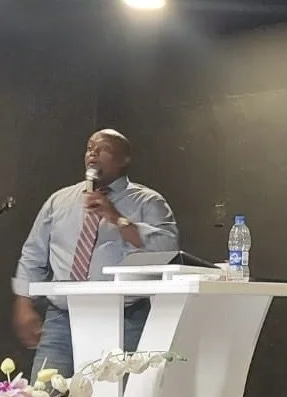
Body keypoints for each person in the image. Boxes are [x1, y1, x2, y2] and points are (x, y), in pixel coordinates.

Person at [11, 128, 180, 383]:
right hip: (62, 320)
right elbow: (33, 253)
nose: (93, 154)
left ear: (124, 159)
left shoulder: (147, 201)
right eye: (90, 148)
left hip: (124, 318)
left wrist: (117, 218)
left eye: (104, 150)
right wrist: (24, 304)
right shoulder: (60, 201)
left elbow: (167, 250)